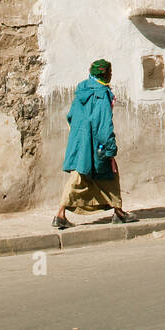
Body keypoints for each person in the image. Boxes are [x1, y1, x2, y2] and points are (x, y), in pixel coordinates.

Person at [53, 60, 137, 228]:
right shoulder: (101, 94)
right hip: (95, 144)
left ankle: (118, 211)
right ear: (105, 74)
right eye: (109, 73)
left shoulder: (82, 90)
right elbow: (103, 124)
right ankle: (60, 214)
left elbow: (70, 116)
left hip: (79, 141)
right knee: (83, 177)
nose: (111, 75)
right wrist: (110, 147)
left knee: (100, 176)